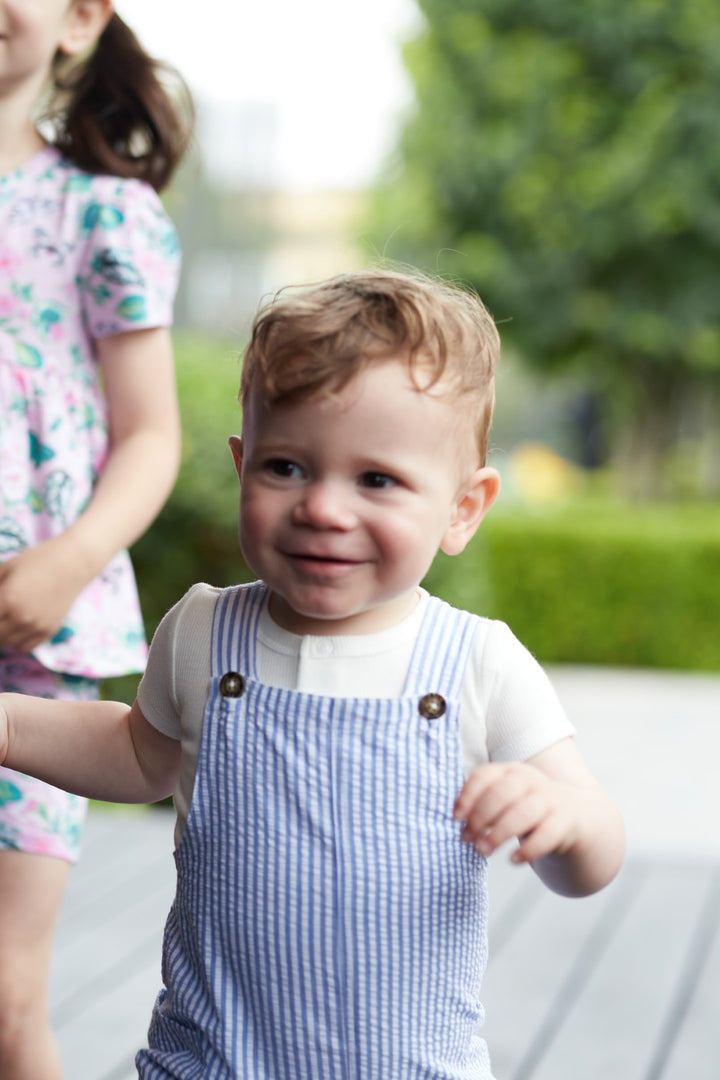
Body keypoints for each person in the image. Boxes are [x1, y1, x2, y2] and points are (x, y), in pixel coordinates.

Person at [0, 269, 625, 1080]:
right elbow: (136, 755)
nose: (324, 508)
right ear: (241, 463)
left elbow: (595, 855)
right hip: (209, 1062)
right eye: (287, 467)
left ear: (463, 508)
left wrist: (564, 818)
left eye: (376, 480)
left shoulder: (476, 660)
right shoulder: (203, 628)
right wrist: (13, 725)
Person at [0, 2, 192, 1077]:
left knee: (3, 1002)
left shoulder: (101, 215)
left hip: (32, 650)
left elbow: (151, 435)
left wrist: (66, 562)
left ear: (78, 18)